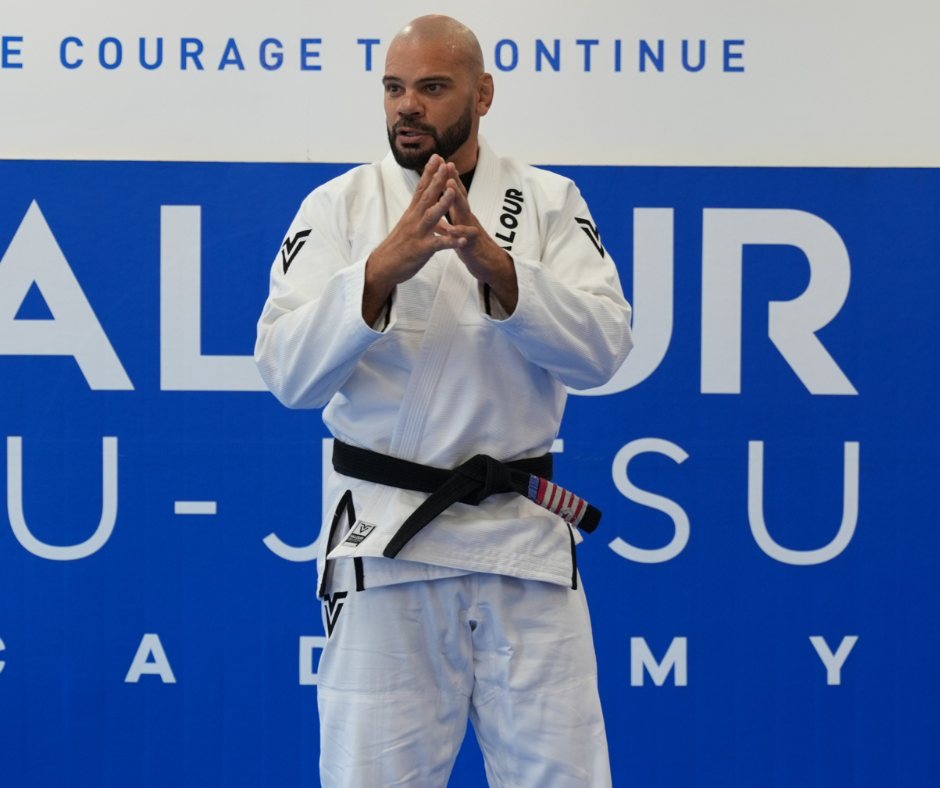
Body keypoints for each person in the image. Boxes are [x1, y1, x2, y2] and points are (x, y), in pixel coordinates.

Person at [255, 15, 633, 788]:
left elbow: (603, 350)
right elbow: (287, 374)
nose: (408, 105)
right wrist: (377, 273)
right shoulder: (338, 208)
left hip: (524, 550)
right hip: (384, 545)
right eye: (394, 88)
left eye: (432, 87)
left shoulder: (548, 202)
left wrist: (500, 269)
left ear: (482, 94)